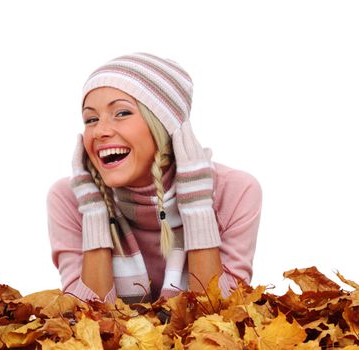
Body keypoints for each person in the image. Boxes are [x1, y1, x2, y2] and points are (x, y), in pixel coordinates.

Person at [46, 52, 262, 304]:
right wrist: (94, 215)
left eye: (122, 113)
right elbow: (82, 324)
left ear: (164, 125)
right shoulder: (69, 198)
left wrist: (197, 208)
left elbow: (222, 320)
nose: (100, 131)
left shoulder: (236, 191)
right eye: (91, 119)